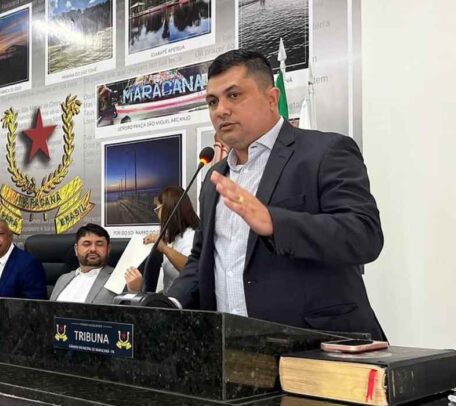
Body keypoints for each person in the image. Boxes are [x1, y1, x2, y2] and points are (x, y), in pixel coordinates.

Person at [166, 49, 386, 340]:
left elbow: (364, 236)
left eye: (234, 95)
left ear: (272, 99)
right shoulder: (214, 178)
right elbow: (202, 258)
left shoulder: (325, 152)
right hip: (232, 352)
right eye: (212, 101)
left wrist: (275, 222)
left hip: (318, 348)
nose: (220, 110)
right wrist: (170, 303)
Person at [124, 186, 200, 293]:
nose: (158, 215)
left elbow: (192, 269)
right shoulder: (173, 239)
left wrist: (164, 248)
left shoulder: (192, 236)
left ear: (169, 209)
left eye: (158, 209)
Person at [50, 223, 116, 304]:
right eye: (86, 244)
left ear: (108, 249)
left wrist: (133, 290)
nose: (93, 249)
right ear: (76, 249)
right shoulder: (63, 279)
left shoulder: (118, 279)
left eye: (99, 244)